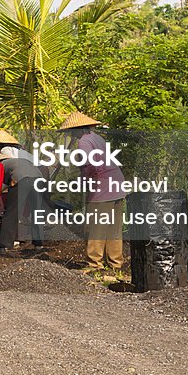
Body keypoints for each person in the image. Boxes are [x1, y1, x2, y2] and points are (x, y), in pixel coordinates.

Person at [59, 110, 126, 274]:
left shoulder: (84, 142)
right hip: (117, 184)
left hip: (102, 187)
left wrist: (83, 181)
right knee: (113, 227)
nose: (71, 134)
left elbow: (91, 166)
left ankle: (94, 264)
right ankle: (116, 264)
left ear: (79, 129)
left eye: (72, 131)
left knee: (95, 226)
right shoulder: (97, 138)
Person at [0, 150, 46, 255]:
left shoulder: (0, 166)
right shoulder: (16, 163)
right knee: (36, 212)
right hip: (39, 180)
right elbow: (5, 185)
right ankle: (38, 244)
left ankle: (2, 246)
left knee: (11, 213)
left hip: (22, 180)